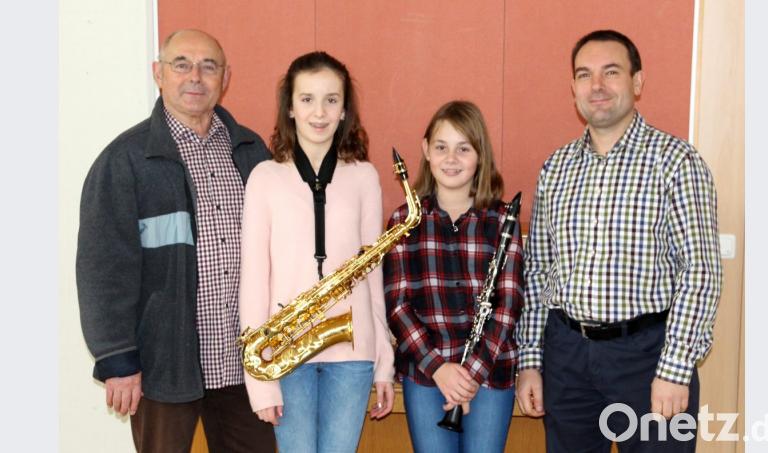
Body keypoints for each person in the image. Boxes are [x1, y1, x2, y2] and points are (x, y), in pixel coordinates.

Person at [515, 29, 723, 452]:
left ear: (637, 82)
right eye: (584, 75)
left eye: (611, 72)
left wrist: (675, 369)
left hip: (648, 358)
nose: (597, 86)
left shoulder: (676, 162)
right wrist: (531, 360)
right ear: (573, 88)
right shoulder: (556, 168)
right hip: (567, 356)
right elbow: (538, 271)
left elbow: (700, 271)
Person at [76, 29, 276, 452]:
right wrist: (117, 358)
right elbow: (102, 269)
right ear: (158, 74)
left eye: (209, 66)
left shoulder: (251, 151)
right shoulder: (125, 160)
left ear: (226, 77)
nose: (195, 77)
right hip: (163, 365)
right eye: (181, 64)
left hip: (246, 365)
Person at [239, 51, 395, 453]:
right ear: (290, 108)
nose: (319, 112)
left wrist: (384, 361)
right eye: (307, 99)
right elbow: (253, 280)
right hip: (285, 351)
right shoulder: (265, 178)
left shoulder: (364, 176)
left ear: (345, 110)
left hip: (353, 352)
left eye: (331, 99)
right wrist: (259, 379)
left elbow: (372, 275)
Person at [384, 100, 524, 453]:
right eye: (441, 147)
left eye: (464, 149)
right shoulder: (403, 221)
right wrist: (439, 368)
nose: (451, 159)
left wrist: (472, 372)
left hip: (490, 370)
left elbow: (508, 305)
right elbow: (398, 306)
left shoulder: (502, 219)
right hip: (426, 372)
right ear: (425, 150)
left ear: (480, 155)